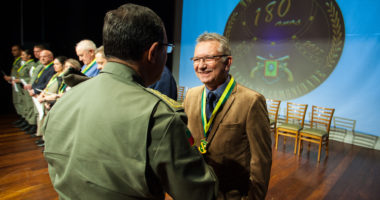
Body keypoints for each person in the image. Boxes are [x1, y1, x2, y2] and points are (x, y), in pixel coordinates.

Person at [43, 4, 217, 200]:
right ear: (153, 52)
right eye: (166, 49)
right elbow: (199, 194)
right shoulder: (159, 116)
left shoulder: (65, 101)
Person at [183, 32, 272, 200]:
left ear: (227, 62)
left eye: (209, 58)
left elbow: (261, 162)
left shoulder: (251, 101)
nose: (201, 66)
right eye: (196, 59)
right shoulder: (191, 96)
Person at [12, 49, 37, 134]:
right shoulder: (25, 64)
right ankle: (28, 121)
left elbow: (32, 78)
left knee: (30, 106)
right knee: (26, 105)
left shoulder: (32, 65)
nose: (21, 56)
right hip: (24, 87)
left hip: (29, 88)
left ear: (29, 56)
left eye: (23, 55)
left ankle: (32, 124)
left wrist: (20, 80)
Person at [3, 45, 23, 126]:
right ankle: (22, 118)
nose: (13, 52)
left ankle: (25, 119)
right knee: (17, 101)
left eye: (15, 50)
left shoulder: (21, 61)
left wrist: (11, 78)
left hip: (20, 84)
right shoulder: (16, 60)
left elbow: (22, 74)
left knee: (21, 102)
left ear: (20, 50)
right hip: (15, 84)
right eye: (12, 50)